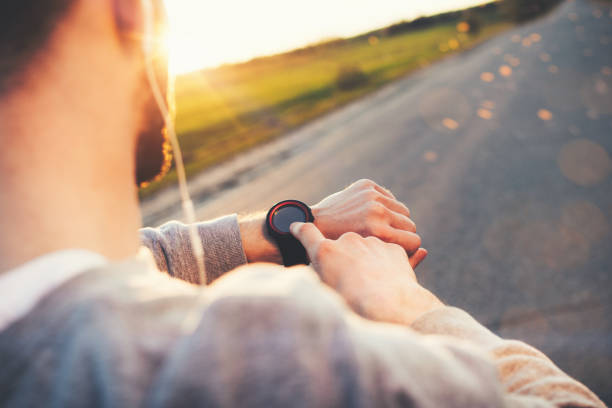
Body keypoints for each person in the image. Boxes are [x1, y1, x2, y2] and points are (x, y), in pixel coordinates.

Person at [0, 0, 605, 407]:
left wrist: (286, 226)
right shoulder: (265, 361)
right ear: (130, 11)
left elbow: (148, 255)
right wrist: (407, 307)